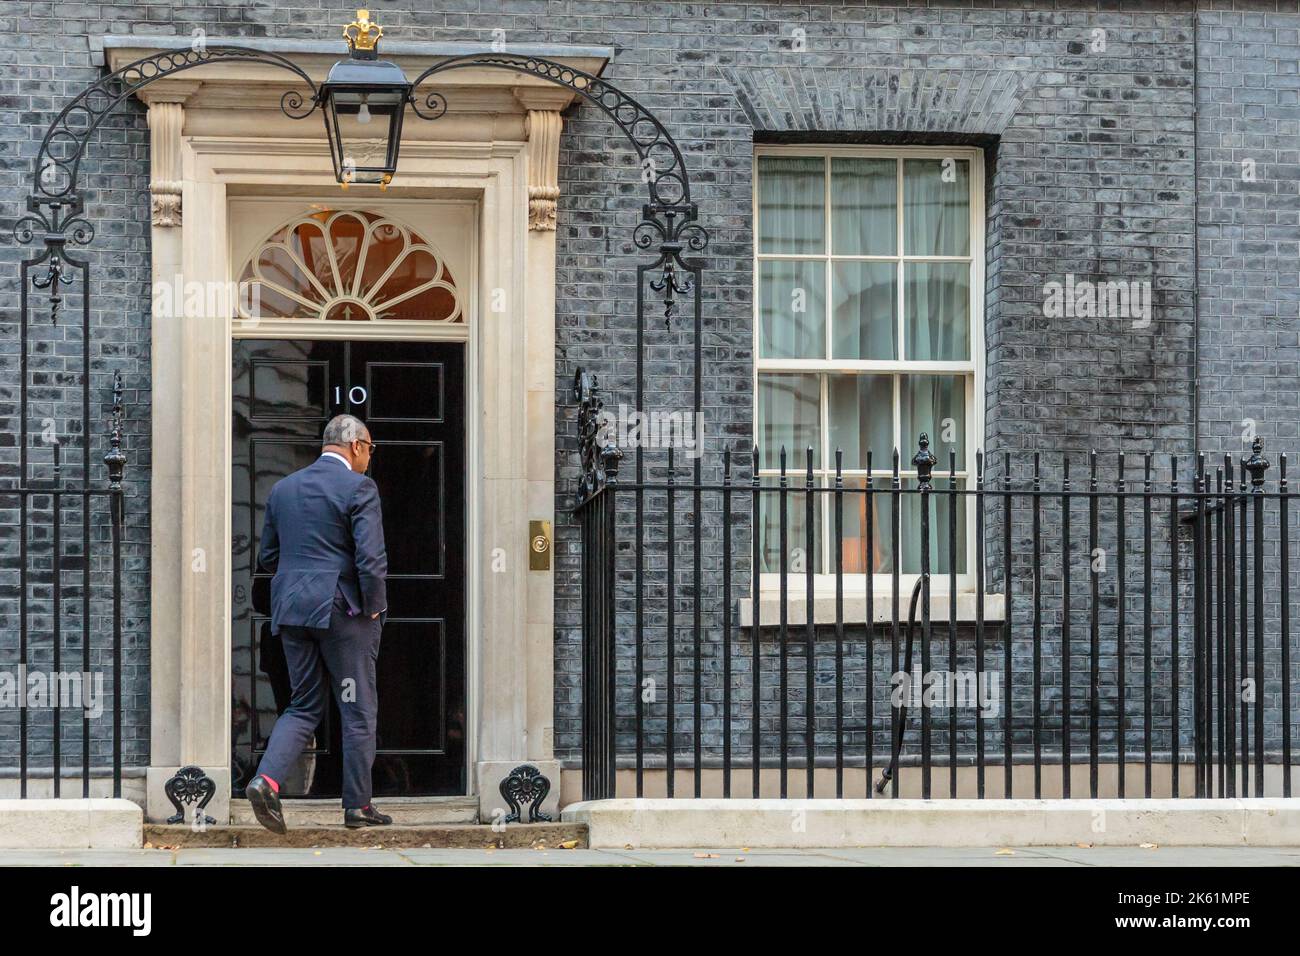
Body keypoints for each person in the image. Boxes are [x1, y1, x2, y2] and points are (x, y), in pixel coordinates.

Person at [244, 413, 392, 832]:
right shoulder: (360, 487)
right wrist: (374, 607)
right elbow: (370, 559)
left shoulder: (283, 489)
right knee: (358, 707)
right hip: (343, 612)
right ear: (358, 446)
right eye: (370, 450)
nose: (369, 458)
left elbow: (268, 558)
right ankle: (358, 806)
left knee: (303, 704)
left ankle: (266, 779)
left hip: (292, 611)